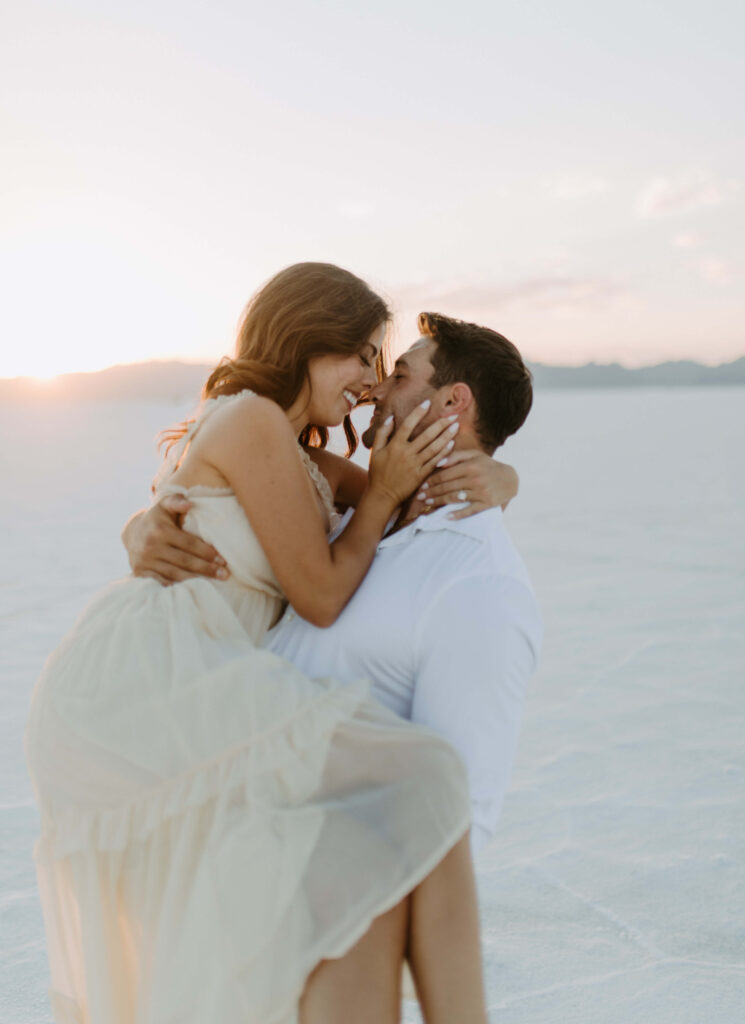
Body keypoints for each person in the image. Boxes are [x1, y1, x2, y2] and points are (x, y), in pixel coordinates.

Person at [24, 263, 511, 1024]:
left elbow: (421, 491)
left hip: (207, 674)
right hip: (146, 684)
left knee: (356, 854)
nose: (368, 381)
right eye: (360, 355)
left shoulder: (301, 456)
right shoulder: (250, 418)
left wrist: (501, 477)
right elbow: (319, 595)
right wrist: (379, 493)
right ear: (307, 341)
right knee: (425, 776)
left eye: (380, 363)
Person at [129, 313, 542, 860]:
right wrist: (147, 522)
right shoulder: (352, 520)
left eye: (397, 374)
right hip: (199, 802)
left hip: (317, 875)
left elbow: (458, 816)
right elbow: (223, 487)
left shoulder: (477, 584)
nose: (374, 389)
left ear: (453, 403)